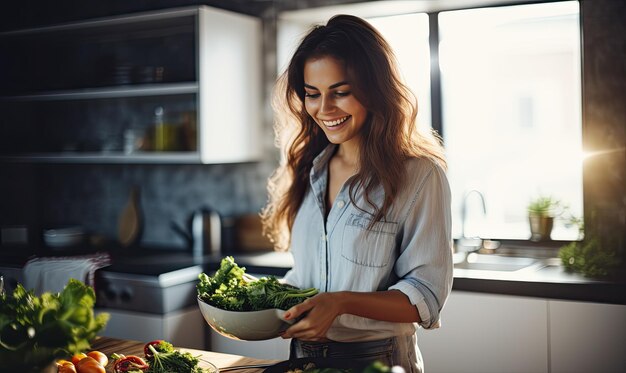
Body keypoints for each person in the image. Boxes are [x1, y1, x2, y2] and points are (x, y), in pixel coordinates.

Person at [261, 14, 453, 373]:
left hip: (377, 360)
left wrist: (341, 303)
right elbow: (310, 278)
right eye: (312, 94)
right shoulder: (308, 168)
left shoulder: (419, 175)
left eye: (341, 92)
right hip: (303, 359)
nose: (324, 109)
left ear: (375, 90)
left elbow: (425, 298)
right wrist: (265, 301)